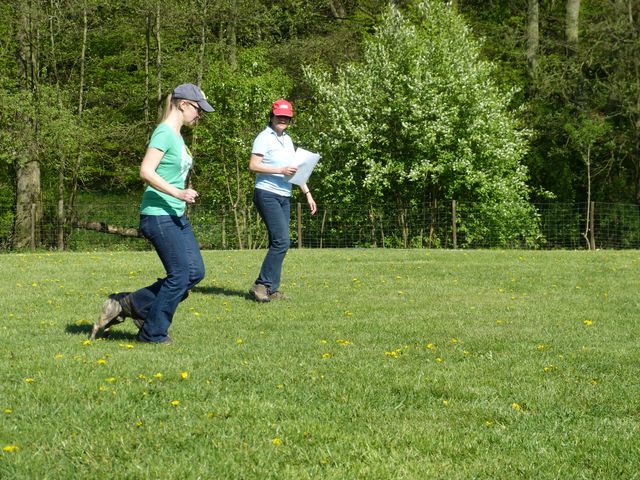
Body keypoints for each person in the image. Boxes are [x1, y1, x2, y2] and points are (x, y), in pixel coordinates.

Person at [89, 83, 214, 344]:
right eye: (198, 109)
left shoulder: (178, 136)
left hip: (175, 214)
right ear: (183, 104)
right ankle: (152, 333)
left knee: (194, 273)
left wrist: (181, 193)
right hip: (158, 215)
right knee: (180, 275)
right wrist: (177, 193)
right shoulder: (164, 133)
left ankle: (130, 304)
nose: (199, 115)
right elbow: (146, 171)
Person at [248, 99, 317, 302]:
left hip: (284, 195)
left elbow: (295, 170)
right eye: (280, 116)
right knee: (282, 241)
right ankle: (261, 285)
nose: (283, 120)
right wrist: (280, 170)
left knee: (278, 242)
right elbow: (253, 165)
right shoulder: (264, 137)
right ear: (272, 116)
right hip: (266, 193)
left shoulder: (287, 140)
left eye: (287, 117)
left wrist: (307, 193)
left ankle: (271, 289)